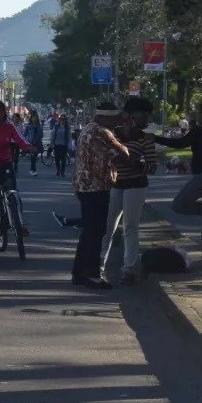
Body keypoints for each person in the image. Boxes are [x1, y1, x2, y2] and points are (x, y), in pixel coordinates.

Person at [155, 98, 202, 261]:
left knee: (178, 205)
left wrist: (154, 138)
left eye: (200, 111)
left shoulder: (199, 131)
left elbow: (180, 144)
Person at [70, 102, 130, 290]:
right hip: (96, 187)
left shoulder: (88, 128)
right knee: (96, 232)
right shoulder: (102, 132)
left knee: (89, 231)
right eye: (115, 118)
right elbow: (124, 153)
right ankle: (92, 275)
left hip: (84, 186)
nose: (118, 121)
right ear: (104, 117)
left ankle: (79, 273)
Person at [99, 96, 157, 285]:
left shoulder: (144, 138)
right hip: (116, 185)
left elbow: (152, 166)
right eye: (143, 115)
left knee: (130, 227)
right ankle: (98, 265)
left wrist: (135, 163)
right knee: (107, 227)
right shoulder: (112, 135)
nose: (146, 119)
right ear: (129, 115)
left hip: (136, 186)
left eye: (147, 116)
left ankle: (129, 268)